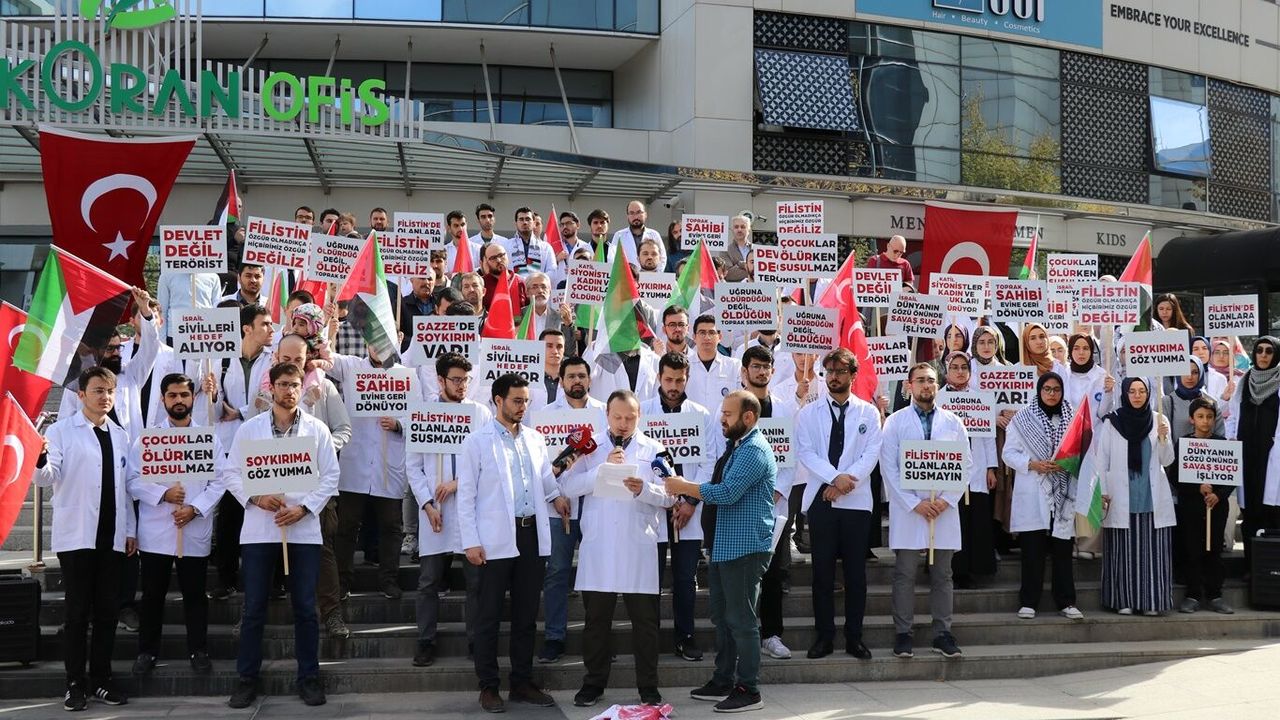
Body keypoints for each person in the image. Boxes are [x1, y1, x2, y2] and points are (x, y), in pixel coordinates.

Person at [222, 362, 341, 708]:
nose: (290, 391)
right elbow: (231, 473)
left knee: (305, 608)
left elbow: (330, 476)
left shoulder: (317, 429)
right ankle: (247, 679)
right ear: (271, 388)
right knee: (254, 608)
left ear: (302, 388)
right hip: (260, 531)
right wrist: (256, 497)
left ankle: (309, 678)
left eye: (295, 385)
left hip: (302, 532)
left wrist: (304, 508)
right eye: (284, 384)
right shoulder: (250, 429)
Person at [456, 374, 571, 713]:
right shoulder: (477, 442)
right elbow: (466, 496)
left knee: (526, 614)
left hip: (530, 534)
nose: (522, 407)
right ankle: (489, 686)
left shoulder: (535, 439)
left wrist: (556, 496)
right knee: (488, 615)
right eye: (516, 401)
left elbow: (543, 479)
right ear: (498, 400)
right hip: (492, 539)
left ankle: (521, 682)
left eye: (525, 401)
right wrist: (470, 541)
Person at [663, 390, 776, 714]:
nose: (721, 419)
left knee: (742, 620)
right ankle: (724, 679)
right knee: (723, 617)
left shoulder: (754, 450)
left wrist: (684, 487)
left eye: (728, 414)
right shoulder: (737, 446)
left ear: (748, 417)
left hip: (745, 548)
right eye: (722, 413)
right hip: (724, 545)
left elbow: (727, 493)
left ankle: (748, 689)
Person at [560, 391, 671, 708]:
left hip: (639, 546)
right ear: (606, 415)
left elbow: (671, 494)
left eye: (630, 418)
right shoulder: (588, 447)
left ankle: (648, 687)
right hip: (600, 546)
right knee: (596, 622)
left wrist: (644, 489)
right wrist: (602, 470)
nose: (623, 424)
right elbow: (566, 485)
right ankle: (593, 683)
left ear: (639, 416)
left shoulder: (655, 449)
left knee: (645, 624)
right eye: (617, 417)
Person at [37, 365, 137, 710]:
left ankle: (101, 681)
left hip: (112, 537)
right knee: (77, 613)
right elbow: (46, 477)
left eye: (109, 391)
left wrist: (130, 529)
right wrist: (39, 456)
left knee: (108, 612)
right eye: (97, 391)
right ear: (81, 395)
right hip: (78, 537)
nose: (105, 397)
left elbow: (125, 487)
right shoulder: (62, 431)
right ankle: (75, 683)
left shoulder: (120, 435)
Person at [129, 374, 224, 679]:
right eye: (172, 395)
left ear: (193, 398)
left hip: (193, 529)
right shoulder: (148, 439)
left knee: (195, 595)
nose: (179, 400)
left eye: (184, 395)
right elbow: (132, 481)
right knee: (152, 596)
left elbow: (220, 481)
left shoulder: (207, 438)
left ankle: (198, 650)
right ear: (163, 399)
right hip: (157, 530)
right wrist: (163, 494)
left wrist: (196, 508)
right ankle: (147, 652)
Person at [795, 348, 882, 660]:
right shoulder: (809, 413)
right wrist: (834, 479)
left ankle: (854, 637)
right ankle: (824, 636)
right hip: (822, 499)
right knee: (822, 573)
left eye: (840, 371)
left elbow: (871, 453)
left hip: (856, 502)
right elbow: (806, 453)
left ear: (852, 376)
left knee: (856, 574)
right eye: (829, 372)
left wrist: (846, 482)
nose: (833, 377)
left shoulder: (868, 412)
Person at [407, 353, 493, 668]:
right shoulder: (423, 414)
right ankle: (425, 641)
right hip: (435, 511)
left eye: (465, 380)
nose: (461, 386)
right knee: (429, 580)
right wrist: (427, 504)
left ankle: (476, 640)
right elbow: (413, 467)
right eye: (455, 380)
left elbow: (489, 462)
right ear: (440, 380)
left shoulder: (480, 413)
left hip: (471, 509)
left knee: (476, 581)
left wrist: (458, 483)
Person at [879, 363, 967, 660]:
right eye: (920, 381)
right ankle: (903, 632)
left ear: (937, 385)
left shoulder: (954, 422)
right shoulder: (895, 422)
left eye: (931, 380)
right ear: (909, 385)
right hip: (909, 509)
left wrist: (946, 500)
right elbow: (889, 467)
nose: (926, 385)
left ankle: (943, 633)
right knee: (905, 573)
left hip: (942, 510)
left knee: (943, 574)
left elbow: (965, 465)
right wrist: (913, 503)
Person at [274, 334, 352, 639]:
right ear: (276, 358)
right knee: (265, 551)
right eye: (286, 359)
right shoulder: (267, 390)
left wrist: (322, 451)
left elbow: (343, 428)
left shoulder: (325, 386)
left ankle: (332, 614)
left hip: (316, 486)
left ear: (308, 358)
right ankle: (251, 613)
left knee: (323, 550)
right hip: (274, 484)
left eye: (299, 359)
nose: (293, 365)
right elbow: (252, 434)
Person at [640, 351, 712, 662]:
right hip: (654, 508)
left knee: (685, 578)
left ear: (687, 379)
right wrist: (662, 497)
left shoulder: (702, 415)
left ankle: (685, 636)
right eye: (668, 379)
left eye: (679, 380)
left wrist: (691, 501)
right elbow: (640, 461)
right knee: (650, 579)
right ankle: (649, 639)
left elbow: (710, 462)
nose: (673, 386)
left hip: (689, 511)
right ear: (659, 377)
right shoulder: (643, 412)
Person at [326, 342, 409, 600]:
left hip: (388, 462)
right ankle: (342, 582)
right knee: (347, 525)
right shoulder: (352, 367)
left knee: (391, 526)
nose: (378, 347)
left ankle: (389, 580)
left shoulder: (406, 376)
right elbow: (327, 357)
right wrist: (327, 324)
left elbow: (418, 416)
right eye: (374, 340)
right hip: (356, 462)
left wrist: (398, 424)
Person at [537, 357, 607, 664]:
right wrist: (554, 494)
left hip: (595, 505)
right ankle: (555, 637)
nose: (577, 381)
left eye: (581, 376)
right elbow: (539, 465)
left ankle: (599, 639)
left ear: (589, 380)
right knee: (556, 573)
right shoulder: (543, 416)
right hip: (558, 508)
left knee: (598, 576)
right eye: (571, 376)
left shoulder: (604, 413)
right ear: (561, 381)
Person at [1003, 372, 1085, 620]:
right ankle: (1029, 601)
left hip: (1063, 489)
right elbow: (1008, 454)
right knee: (1032, 548)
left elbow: (1082, 451)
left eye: (1056, 389)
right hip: (1034, 488)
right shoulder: (1022, 419)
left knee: (1062, 548)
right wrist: (1032, 464)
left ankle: (1066, 601)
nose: (1051, 394)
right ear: (1039, 391)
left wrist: (1067, 463)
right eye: (1047, 389)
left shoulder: (1072, 417)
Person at [736, 346, 800, 660]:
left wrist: (776, 491)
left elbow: (791, 456)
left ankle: (772, 635)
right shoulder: (733, 408)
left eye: (766, 367)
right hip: (740, 504)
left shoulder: (786, 410)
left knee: (773, 573)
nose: (761, 372)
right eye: (756, 366)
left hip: (774, 504)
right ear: (744, 371)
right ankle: (742, 636)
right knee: (742, 575)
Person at [208, 303, 276, 601]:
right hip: (230, 445)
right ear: (247, 328)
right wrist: (212, 394)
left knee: (265, 513)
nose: (271, 329)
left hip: (263, 444)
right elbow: (216, 410)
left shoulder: (273, 359)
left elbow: (270, 399)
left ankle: (268, 580)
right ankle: (226, 578)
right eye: (265, 324)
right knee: (230, 514)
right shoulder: (222, 358)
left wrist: (240, 411)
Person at [1097, 378, 1175, 616]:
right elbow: (1102, 459)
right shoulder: (1113, 422)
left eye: (1142, 391)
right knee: (1123, 552)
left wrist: (1163, 439)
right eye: (1132, 391)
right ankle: (1124, 600)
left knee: (1152, 553)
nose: (1137, 395)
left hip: (1151, 496)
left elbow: (1167, 460)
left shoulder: (1159, 420)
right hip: (1121, 495)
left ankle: (1151, 601)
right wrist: (1102, 491)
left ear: (1149, 394)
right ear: (1125, 393)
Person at [941, 352, 998, 589]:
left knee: (976, 521)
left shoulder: (980, 398)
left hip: (977, 468)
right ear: (946, 370)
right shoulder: (938, 398)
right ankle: (953, 570)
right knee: (953, 522)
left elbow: (988, 437)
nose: (960, 371)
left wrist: (991, 467)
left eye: (964, 367)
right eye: (954, 367)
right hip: (948, 468)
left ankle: (975, 569)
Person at [1227, 336, 1280, 568]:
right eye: (1260, 350)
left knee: (1271, 512)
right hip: (1246, 455)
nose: (1264, 355)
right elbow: (1233, 415)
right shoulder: (1244, 381)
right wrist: (1232, 440)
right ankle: (1251, 567)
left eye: (1269, 351)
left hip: (1272, 456)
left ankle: (1270, 569)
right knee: (1249, 511)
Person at [1179, 397, 1235, 614]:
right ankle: (1193, 594)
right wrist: (1197, 488)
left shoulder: (1223, 444)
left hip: (1216, 507)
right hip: (1191, 507)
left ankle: (1215, 595)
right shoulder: (1184, 444)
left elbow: (1231, 476)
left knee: (1214, 551)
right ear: (1191, 419)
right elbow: (1176, 477)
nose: (1205, 421)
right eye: (1200, 416)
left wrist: (1218, 495)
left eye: (1209, 417)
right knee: (1192, 550)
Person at [609, 200, 666, 269]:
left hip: (650, 275)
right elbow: (612, 259)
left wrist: (655, 274)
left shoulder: (654, 235)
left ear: (645, 215)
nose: (636, 217)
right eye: (631, 213)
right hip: (626, 275)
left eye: (639, 212)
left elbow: (662, 258)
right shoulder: (619, 235)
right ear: (627, 216)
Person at [721, 214, 753, 282]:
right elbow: (728, 274)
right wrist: (746, 266)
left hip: (757, 288)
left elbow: (763, 272)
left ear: (749, 230)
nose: (739, 230)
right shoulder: (725, 251)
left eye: (743, 227)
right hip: (736, 288)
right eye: (736, 227)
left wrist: (739, 265)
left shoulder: (757, 250)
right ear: (732, 230)